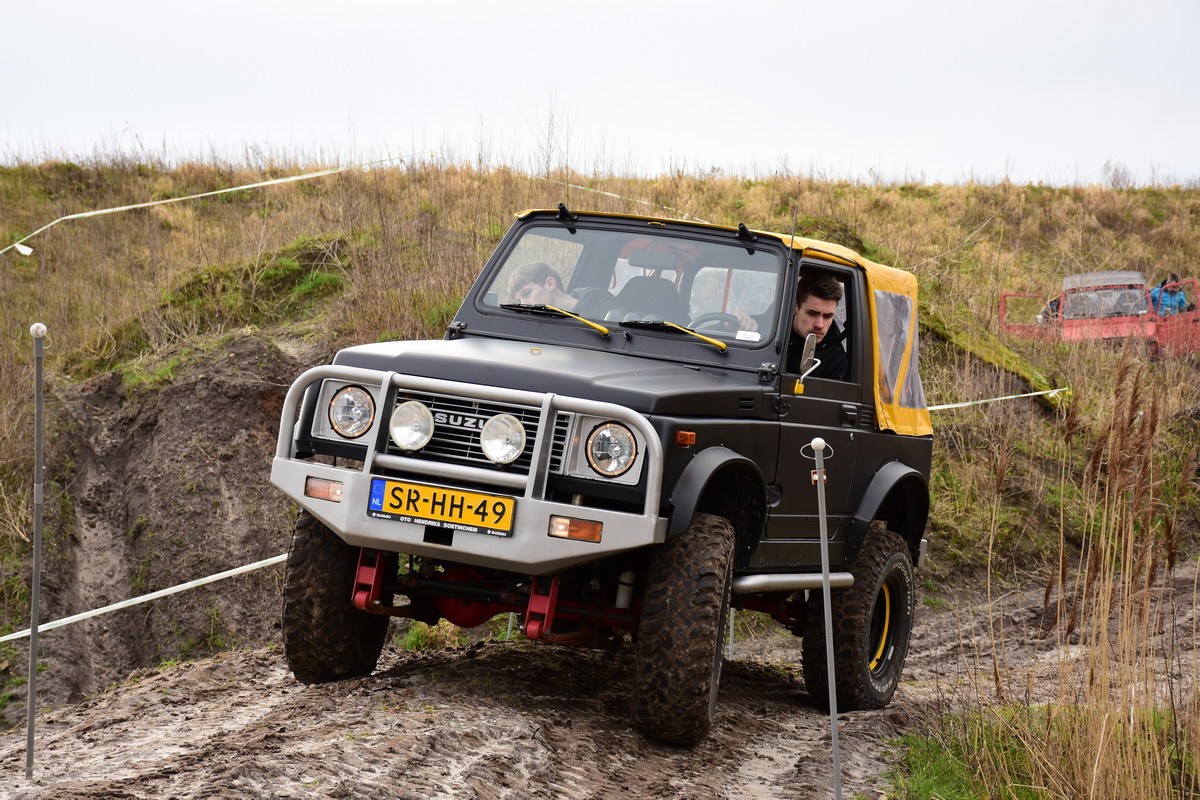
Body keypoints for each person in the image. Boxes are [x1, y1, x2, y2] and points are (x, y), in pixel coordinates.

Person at [784, 273, 850, 381]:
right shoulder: (768, 331)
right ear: (795, 307)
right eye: (812, 313)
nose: (820, 325)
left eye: (827, 316)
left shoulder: (835, 360)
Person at [508, 261, 614, 318]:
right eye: (519, 301)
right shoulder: (544, 325)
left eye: (527, 293)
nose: (523, 304)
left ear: (550, 284)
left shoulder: (607, 312)